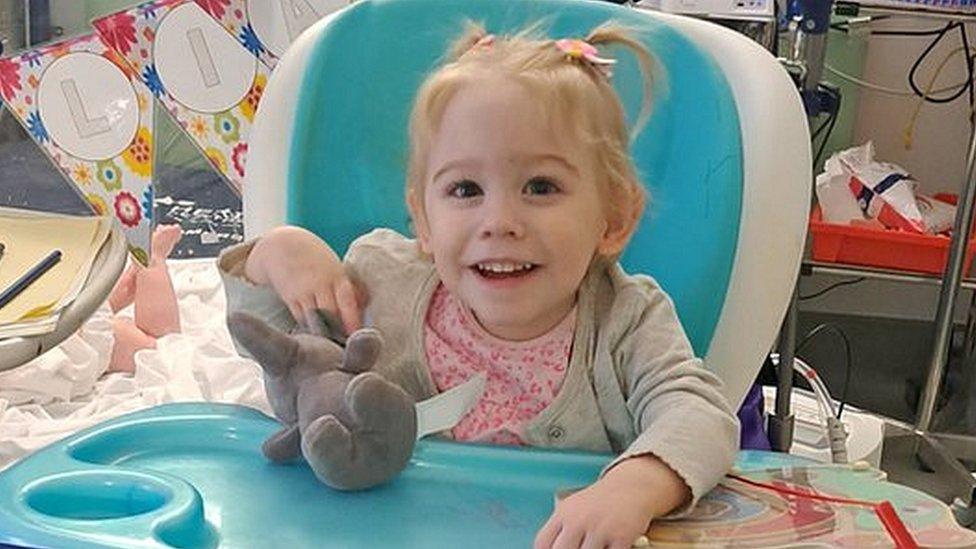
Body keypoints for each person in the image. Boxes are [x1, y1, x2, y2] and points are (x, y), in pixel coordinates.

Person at [220, 22, 738, 549]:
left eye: (541, 187)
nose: (499, 220)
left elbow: (700, 413)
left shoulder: (628, 319)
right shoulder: (383, 282)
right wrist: (274, 256)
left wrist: (634, 486)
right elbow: (282, 353)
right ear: (422, 219)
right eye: (465, 189)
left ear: (614, 218)